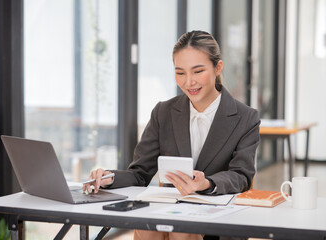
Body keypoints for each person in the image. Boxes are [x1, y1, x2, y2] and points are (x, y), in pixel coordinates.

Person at [83, 30, 260, 240]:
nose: (188, 82)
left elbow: (241, 176)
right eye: (180, 73)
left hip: (216, 214)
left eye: (198, 71)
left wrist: (207, 183)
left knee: (180, 230)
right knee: (148, 226)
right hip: (170, 208)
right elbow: (140, 173)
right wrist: (108, 178)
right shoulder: (163, 113)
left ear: (218, 67)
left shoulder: (246, 117)